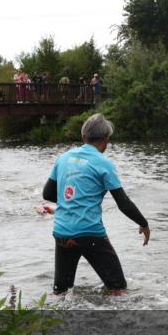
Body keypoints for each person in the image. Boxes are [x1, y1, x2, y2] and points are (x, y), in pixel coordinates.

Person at [42, 114, 151, 295]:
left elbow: (48, 194)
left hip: (62, 232)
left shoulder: (63, 158)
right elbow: (123, 203)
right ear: (106, 140)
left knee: (61, 291)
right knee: (119, 290)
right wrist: (143, 223)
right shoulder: (104, 163)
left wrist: (70, 201)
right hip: (89, 233)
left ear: (83, 137)